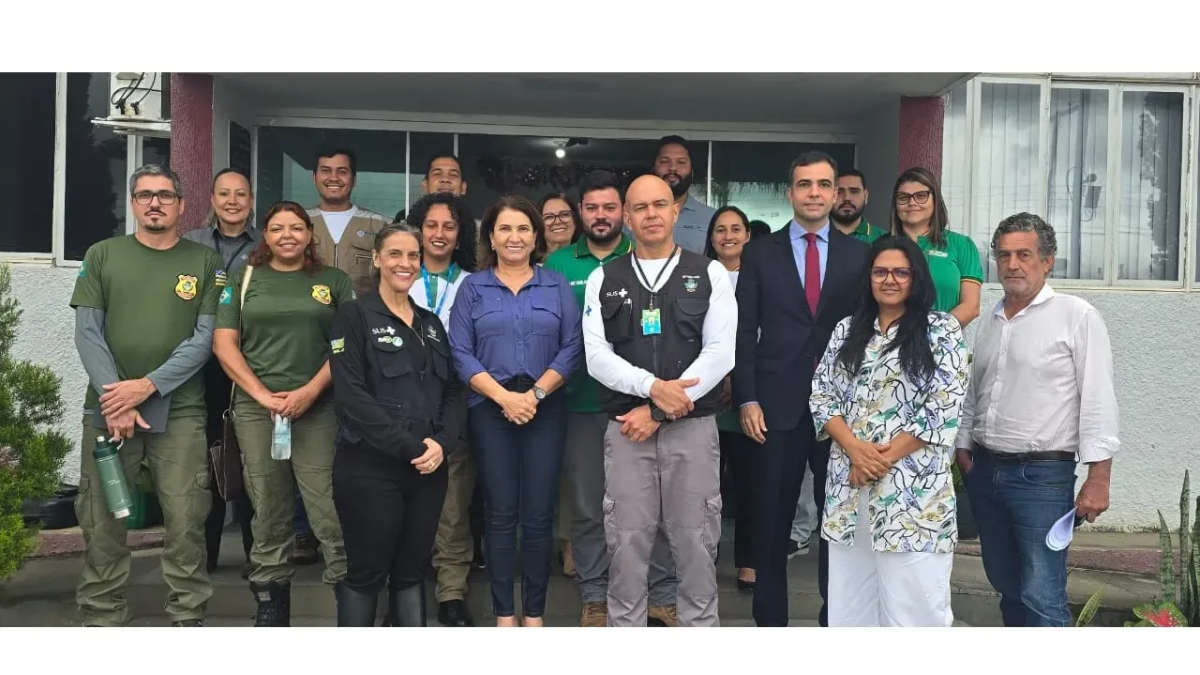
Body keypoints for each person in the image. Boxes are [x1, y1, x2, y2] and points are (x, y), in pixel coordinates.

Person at [70, 164, 224, 627]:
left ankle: (187, 612)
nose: (154, 202)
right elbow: (87, 333)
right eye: (144, 195)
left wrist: (147, 386)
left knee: (185, 518)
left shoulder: (205, 262)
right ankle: (102, 613)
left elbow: (204, 340)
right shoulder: (102, 255)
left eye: (164, 195)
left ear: (181, 204)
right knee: (102, 519)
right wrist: (117, 398)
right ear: (133, 204)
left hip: (180, 411)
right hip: (108, 410)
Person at [583, 174, 737, 627]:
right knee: (626, 546)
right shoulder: (603, 277)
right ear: (626, 217)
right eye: (640, 207)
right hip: (627, 430)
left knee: (695, 545)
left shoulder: (708, 273)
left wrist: (659, 408)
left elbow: (720, 352)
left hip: (691, 431)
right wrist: (652, 389)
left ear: (675, 211)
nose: (651, 214)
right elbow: (595, 356)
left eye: (660, 204)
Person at [956, 213, 1119, 627]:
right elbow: (975, 391)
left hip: (1042, 478)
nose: (1012, 264)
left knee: (1042, 593)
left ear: (1048, 261)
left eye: (1024, 255)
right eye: (1004, 255)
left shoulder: (1076, 315)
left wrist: (1099, 478)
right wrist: (963, 446)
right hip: (986, 470)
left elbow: (1098, 400)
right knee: (1006, 584)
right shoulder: (992, 321)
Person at [734, 150, 870, 628]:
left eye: (824, 184)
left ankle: (837, 621)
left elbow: (867, 331)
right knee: (772, 522)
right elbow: (743, 329)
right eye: (805, 184)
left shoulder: (861, 255)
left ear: (836, 193)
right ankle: (771, 624)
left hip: (841, 412)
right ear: (790, 193)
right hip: (775, 407)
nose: (814, 192)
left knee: (838, 523)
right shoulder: (759, 251)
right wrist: (746, 397)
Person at [809, 236, 970, 626]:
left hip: (912, 497)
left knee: (915, 611)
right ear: (868, 278)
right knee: (850, 610)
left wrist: (878, 460)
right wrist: (854, 450)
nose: (890, 280)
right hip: (849, 493)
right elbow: (821, 396)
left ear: (916, 278)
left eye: (901, 272)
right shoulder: (848, 329)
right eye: (880, 271)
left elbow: (943, 405)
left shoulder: (942, 330)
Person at [544, 170, 679, 627]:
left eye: (609, 207)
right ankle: (595, 596)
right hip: (582, 403)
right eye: (592, 208)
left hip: (643, 408)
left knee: (653, 506)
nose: (601, 216)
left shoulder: (642, 256)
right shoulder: (560, 265)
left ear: (624, 211)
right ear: (580, 213)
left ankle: (660, 594)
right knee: (587, 506)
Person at [213, 201, 353, 626]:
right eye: (277, 228)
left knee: (327, 505)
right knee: (268, 508)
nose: (287, 235)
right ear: (266, 235)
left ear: (310, 234)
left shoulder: (335, 281)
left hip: (319, 407)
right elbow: (224, 344)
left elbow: (346, 347)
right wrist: (263, 395)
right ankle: (271, 603)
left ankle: (348, 599)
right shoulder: (243, 278)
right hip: (258, 412)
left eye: (296, 227)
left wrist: (309, 392)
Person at [448, 195, 583, 627]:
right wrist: (505, 398)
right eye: (505, 228)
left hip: (546, 405)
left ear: (536, 236)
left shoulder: (555, 284)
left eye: (523, 228)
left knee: (539, 512)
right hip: (491, 407)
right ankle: (505, 613)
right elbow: (460, 352)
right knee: (500, 512)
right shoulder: (473, 287)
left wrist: (536, 395)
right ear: (491, 235)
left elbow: (573, 345)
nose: (514, 237)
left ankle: (535, 614)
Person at [328, 221, 466, 627]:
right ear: (377, 259)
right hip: (369, 468)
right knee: (368, 572)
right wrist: (413, 448)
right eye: (394, 254)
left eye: (412, 256)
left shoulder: (430, 324)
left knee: (412, 572)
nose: (404, 263)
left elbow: (454, 393)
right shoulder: (353, 318)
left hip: (428, 471)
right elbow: (352, 397)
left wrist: (442, 443)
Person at [404, 191, 480, 627]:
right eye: (431, 225)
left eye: (448, 226)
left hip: (456, 404)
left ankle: (451, 591)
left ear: (459, 235)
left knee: (453, 502)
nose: (439, 234)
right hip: (403, 407)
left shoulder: (473, 283)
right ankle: (406, 589)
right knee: (403, 501)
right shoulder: (398, 277)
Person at [183, 167, 258, 579]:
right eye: (224, 193)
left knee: (250, 460)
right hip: (199, 370)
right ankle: (206, 555)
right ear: (212, 199)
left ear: (250, 201)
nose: (232, 201)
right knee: (206, 461)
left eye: (240, 194)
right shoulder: (190, 245)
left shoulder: (266, 246)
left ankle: (256, 554)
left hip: (250, 367)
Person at [702, 205, 759, 591]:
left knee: (751, 481)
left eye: (736, 229)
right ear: (711, 238)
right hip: (707, 394)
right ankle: (705, 557)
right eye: (720, 230)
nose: (728, 236)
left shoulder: (762, 276)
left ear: (748, 235)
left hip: (750, 392)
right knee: (707, 486)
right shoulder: (697, 276)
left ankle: (749, 563)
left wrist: (739, 380)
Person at [889, 166, 982, 329]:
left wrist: (934, 335)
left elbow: (971, 306)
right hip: (890, 344)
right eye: (903, 197)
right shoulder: (881, 246)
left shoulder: (961, 245)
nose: (912, 202)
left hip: (943, 346)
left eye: (921, 196)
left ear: (935, 200)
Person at [652, 135, 715, 254]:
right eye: (665, 161)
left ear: (692, 173)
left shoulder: (712, 218)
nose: (672, 168)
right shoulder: (632, 216)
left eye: (681, 162)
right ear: (653, 168)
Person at [830, 169, 884, 244]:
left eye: (854, 191)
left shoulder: (884, 239)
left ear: (866, 196)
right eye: (839, 192)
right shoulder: (813, 237)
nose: (847, 198)